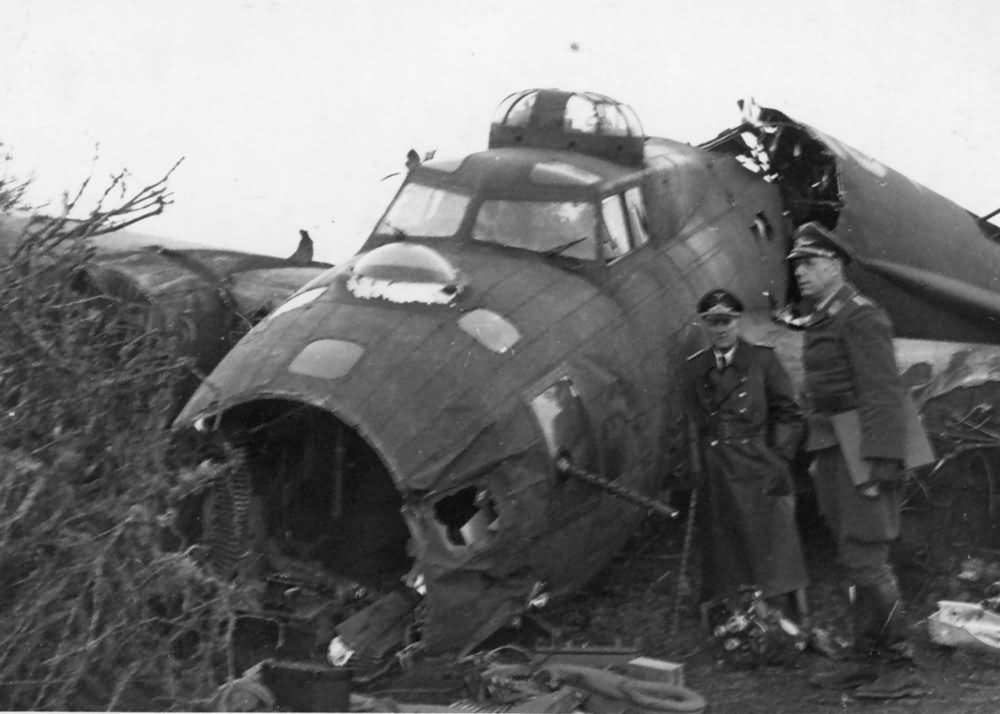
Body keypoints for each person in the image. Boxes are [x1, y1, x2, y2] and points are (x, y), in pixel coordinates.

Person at [782, 222, 926, 699]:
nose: (799, 272)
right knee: (853, 555)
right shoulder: (825, 316)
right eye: (796, 264)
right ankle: (865, 657)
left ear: (834, 264)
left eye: (809, 263)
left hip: (861, 448)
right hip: (832, 446)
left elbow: (883, 395)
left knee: (867, 558)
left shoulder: (860, 316)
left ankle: (899, 662)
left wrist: (881, 465)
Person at [684, 288, 808, 620]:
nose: (721, 329)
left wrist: (779, 458)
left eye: (726, 322)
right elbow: (692, 421)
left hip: (757, 461)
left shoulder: (761, 360)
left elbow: (789, 411)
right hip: (716, 467)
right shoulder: (696, 368)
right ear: (705, 326)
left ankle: (779, 617)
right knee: (724, 543)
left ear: (738, 323)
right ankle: (731, 616)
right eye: (713, 323)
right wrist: (695, 468)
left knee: (770, 542)